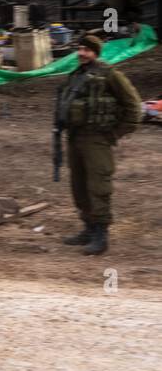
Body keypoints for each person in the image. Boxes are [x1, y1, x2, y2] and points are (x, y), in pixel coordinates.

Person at [56, 34, 142, 255]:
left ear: (96, 52)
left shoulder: (110, 75)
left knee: (98, 186)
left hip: (97, 138)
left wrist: (116, 133)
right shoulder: (75, 75)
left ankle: (101, 236)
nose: (82, 53)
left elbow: (134, 106)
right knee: (79, 186)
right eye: (80, 49)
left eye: (87, 50)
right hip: (75, 137)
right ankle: (88, 228)